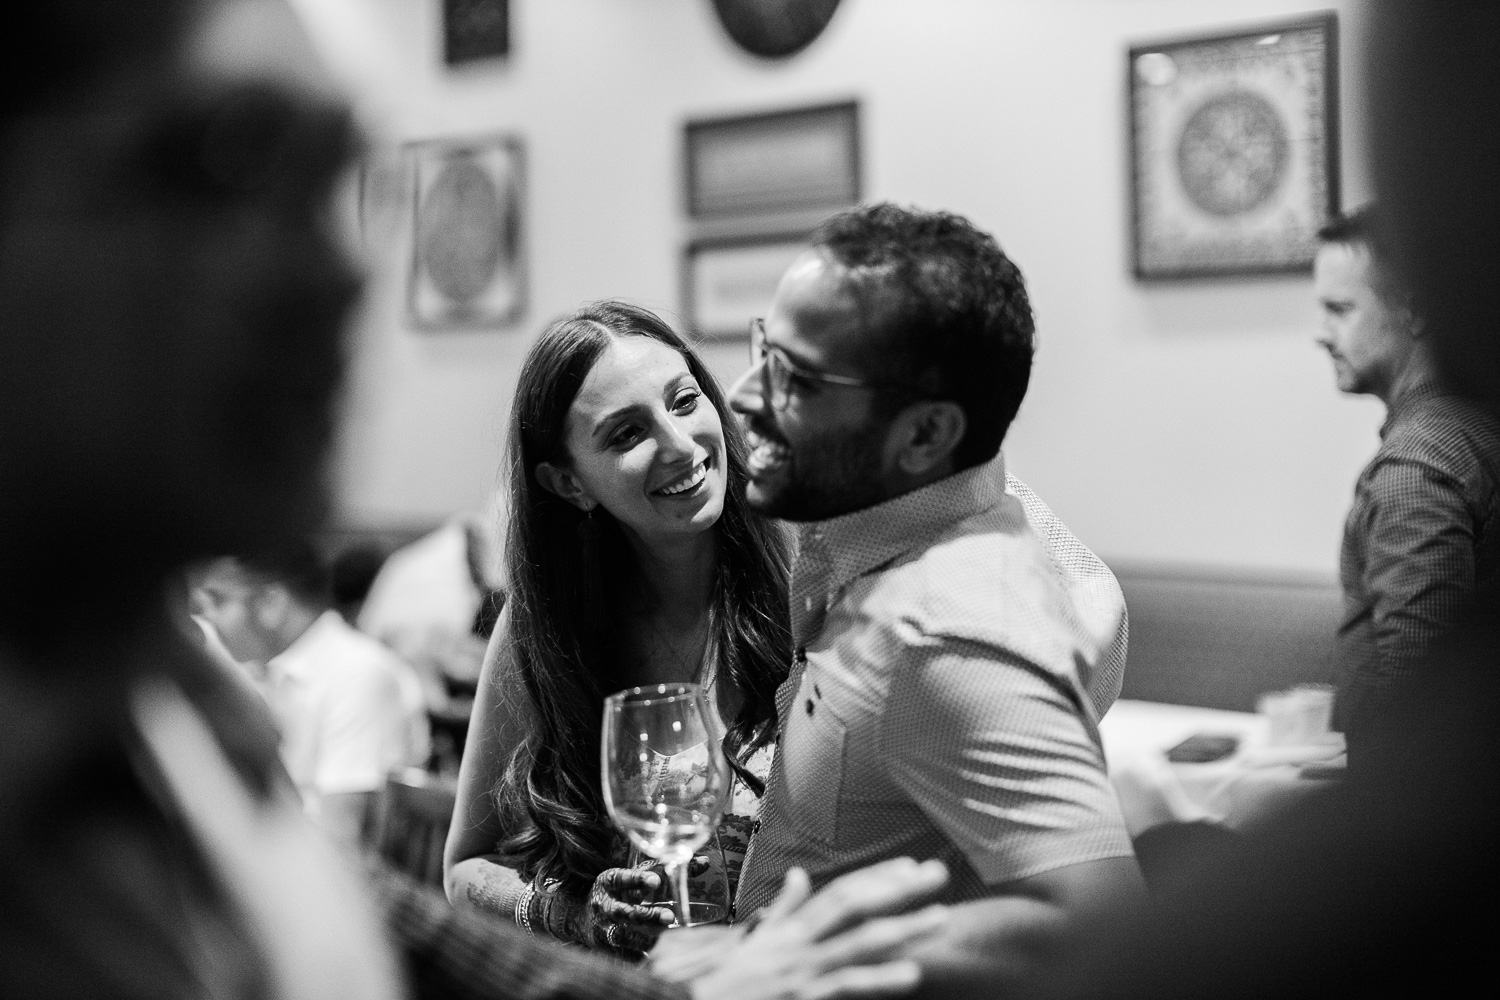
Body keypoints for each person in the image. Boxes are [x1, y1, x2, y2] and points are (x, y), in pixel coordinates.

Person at [0, 2, 960, 998]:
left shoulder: (177, 694)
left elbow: (395, 922)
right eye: (240, 162)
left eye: (346, 179)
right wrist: (593, 923)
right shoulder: (51, 781)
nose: (348, 268)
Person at [714, 203, 1144, 994]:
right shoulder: (922, 527)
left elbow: (1103, 921)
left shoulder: (937, 629)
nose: (743, 396)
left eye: (795, 379)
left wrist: (815, 949)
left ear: (923, 437)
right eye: (763, 352)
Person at [444, 300, 793, 955]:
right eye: (628, 434)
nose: (680, 443)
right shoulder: (544, 628)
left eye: (685, 401)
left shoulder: (803, 574)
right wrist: (566, 914)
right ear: (569, 483)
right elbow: (464, 871)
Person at [1313, 204, 1500, 764]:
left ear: (1415, 312)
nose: (1319, 334)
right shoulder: (1476, 428)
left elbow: (1416, 710)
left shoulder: (1415, 470)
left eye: (1339, 309)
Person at [191, 540, 431, 842]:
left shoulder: (359, 672)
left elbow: (345, 831)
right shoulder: (255, 670)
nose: (207, 618)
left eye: (218, 601)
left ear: (271, 602)